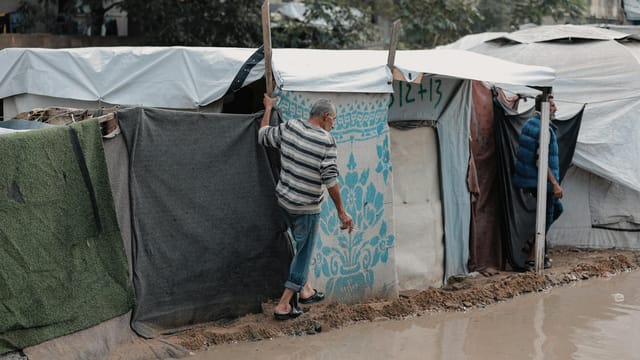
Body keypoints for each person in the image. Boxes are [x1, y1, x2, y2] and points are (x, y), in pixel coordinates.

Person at [259, 94, 354, 320]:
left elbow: (263, 135)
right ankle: (284, 305)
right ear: (325, 117)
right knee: (303, 253)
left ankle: (306, 290)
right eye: (333, 120)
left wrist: (268, 108)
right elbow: (330, 180)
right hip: (306, 208)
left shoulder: (290, 127)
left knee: (300, 245)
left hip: (284, 202)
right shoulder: (326, 141)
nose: (334, 124)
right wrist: (342, 211)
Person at [512, 95, 563, 269]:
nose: (556, 109)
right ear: (546, 107)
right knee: (547, 215)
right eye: (554, 105)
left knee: (557, 209)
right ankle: (533, 257)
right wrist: (554, 184)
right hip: (540, 181)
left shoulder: (532, 123)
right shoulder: (542, 128)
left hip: (533, 180)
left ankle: (533, 243)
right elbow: (540, 160)